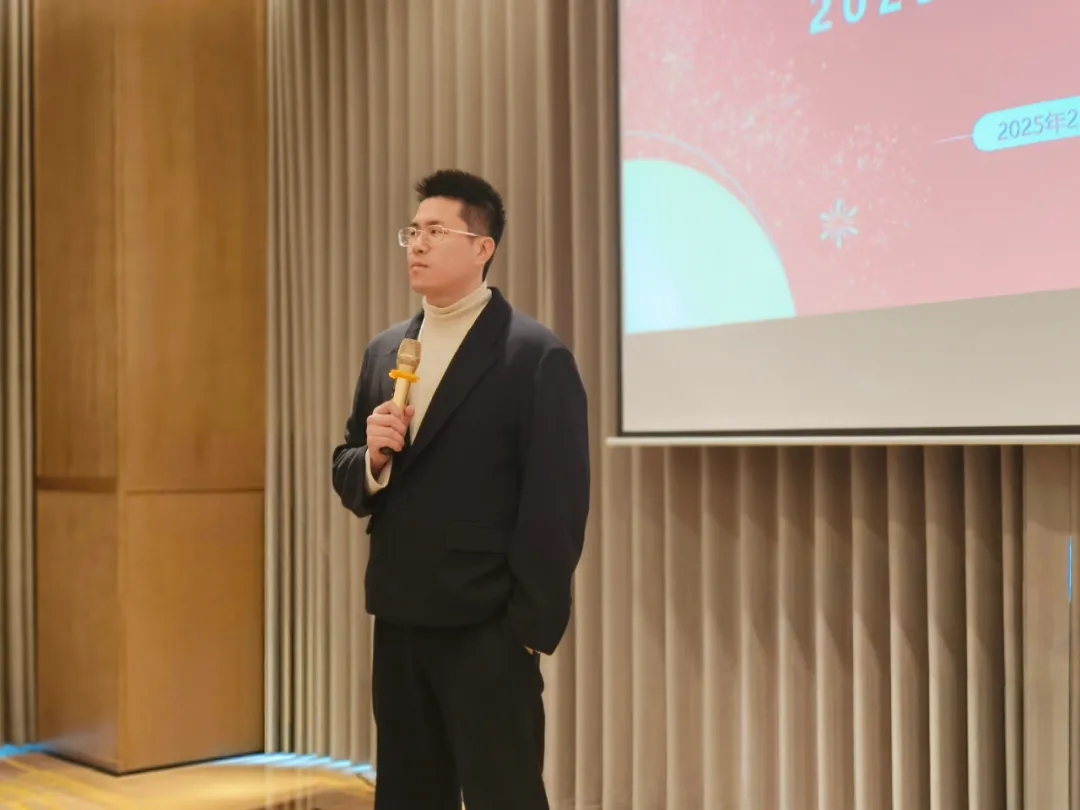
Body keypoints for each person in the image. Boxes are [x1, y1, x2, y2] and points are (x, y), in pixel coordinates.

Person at [331, 169, 591, 810]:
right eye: (412, 231)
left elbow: (556, 504)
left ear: (482, 248)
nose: (417, 243)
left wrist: (526, 631)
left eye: (436, 231)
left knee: (505, 795)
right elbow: (346, 467)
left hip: (487, 627)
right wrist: (374, 459)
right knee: (409, 794)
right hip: (398, 618)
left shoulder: (532, 356)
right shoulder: (387, 350)